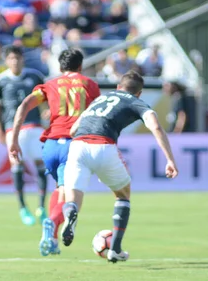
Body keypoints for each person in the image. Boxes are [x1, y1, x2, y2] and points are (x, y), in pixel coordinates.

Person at [63, 70, 178, 262]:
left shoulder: (100, 99)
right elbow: (155, 126)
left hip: (77, 146)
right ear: (139, 92)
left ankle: (71, 213)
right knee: (123, 194)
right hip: (103, 146)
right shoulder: (136, 101)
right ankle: (115, 249)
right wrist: (170, 159)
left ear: (118, 87)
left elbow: (73, 129)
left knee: (73, 198)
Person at [8, 48, 101, 256]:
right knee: (72, 196)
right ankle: (52, 223)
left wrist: (13, 140)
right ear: (80, 66)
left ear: (60, 67)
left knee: (59, 189)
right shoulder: (90, 84)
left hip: (50, 145)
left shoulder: (49, 85)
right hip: (73, 144)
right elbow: (97, 116)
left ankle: (52, 238)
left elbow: (24, 106)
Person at [0, 46, 47, 226]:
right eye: (12, 58)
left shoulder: (35, 76)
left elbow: (47, 99)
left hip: (36, 126)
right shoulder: (0, 81)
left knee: (40, 164)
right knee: (17, 165)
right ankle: (23, 207)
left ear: (23, 59)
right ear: (7, 61)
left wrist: (48, 113)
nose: (15, 61)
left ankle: (41, 207)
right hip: (13, 130)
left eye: (18, 58)